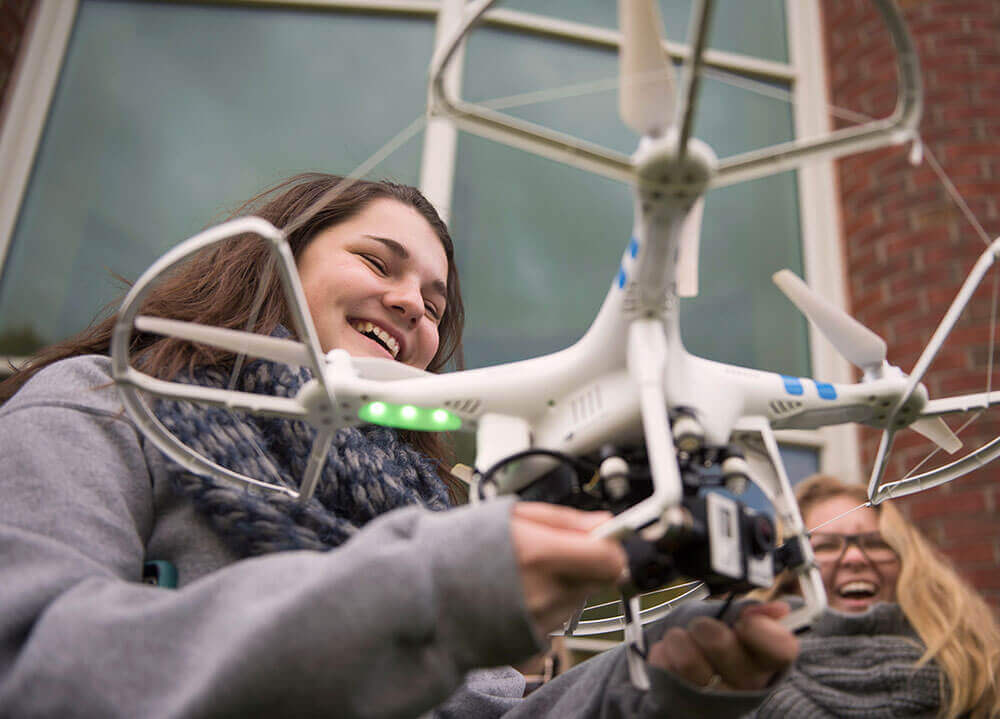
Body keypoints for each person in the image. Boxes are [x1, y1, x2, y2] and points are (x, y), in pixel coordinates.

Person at [0, 173, 796, 718]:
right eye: (378, 262)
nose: (413, 304)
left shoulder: (426, 501)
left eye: (435, 304)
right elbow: (32, 665)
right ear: (272, 259)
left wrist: (657, 681)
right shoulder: (103, 404)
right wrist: (431, 591)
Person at [746, 474, 1000, 719]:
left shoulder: (982, 674)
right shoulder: (738, 682)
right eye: (826, 546)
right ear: (788, 577)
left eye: (877, 543)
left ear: (908, 564)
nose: (855, 558)